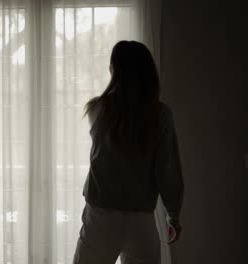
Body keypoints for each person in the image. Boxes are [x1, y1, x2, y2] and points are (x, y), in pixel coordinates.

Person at [73, 41, 184, 264]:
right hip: (140, 219)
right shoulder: (160, 115)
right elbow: (167, 170)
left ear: (115, 70)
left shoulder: (98, 108)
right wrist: (173, 215)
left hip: (101, 216)